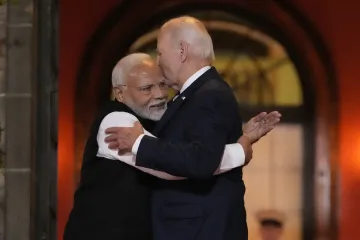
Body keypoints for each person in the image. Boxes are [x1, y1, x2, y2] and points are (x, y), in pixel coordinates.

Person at [63, 53, 280, 240]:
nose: (158, 94)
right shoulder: (117, 121)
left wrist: (240, 138)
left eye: (162, 85)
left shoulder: (159, 121)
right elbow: (171, 166)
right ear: (120, 94)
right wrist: (239, 150)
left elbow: (185, 152)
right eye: (146, 88)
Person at [105, 17, 281, 240]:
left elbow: (201, 160)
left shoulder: (209, 94)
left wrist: (139, 142)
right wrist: (240, 148)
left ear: (182, 50)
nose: (158, 62)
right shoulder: (194, 94)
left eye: (160, 53)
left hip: (200, 230)